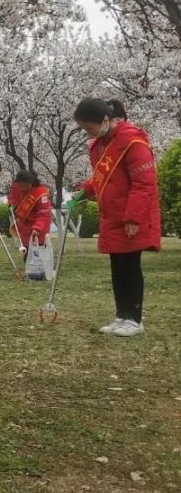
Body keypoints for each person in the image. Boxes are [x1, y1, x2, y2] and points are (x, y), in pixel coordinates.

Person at [70, 98, 160, 337]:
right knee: (117, 267)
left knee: (130, 266)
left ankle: (134, 319)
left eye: (89, 128)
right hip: (111, 214)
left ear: (105, 120)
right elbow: (103, 178)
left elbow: (144, 184)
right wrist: (85, 190)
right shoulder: (99, 145)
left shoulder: (134, 143)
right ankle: (122, 316)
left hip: (130, 215)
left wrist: (133, 218)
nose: (88, 133)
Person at [7, 169, 52, 256]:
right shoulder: (17, 188)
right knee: (27, 256)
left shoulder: (40, 193)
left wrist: (37, 228)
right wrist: (11, 205)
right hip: (24, 229)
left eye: (26, 184)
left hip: (38, 230)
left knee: (39, 258)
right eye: (21, 184)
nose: (23, 187)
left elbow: (44, 215)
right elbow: (12, 199)